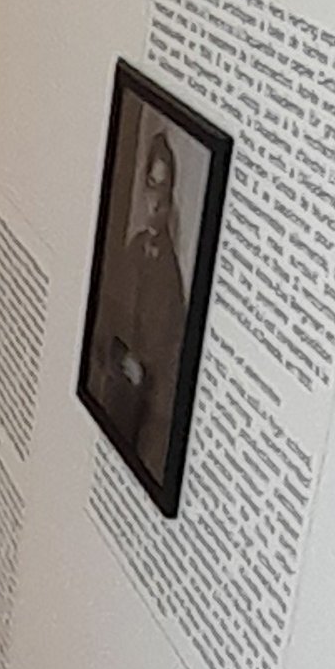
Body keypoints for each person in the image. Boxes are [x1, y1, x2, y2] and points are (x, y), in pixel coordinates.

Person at [96, 123, 189, 483]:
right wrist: (123, 358)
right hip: (114, 406)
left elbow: (171, 358)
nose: (155, 200)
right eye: (151, 183)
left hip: (144, 423)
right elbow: (105, 326)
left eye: (163, 187)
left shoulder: (171, 275)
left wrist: (145, 373)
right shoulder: (132, 251)